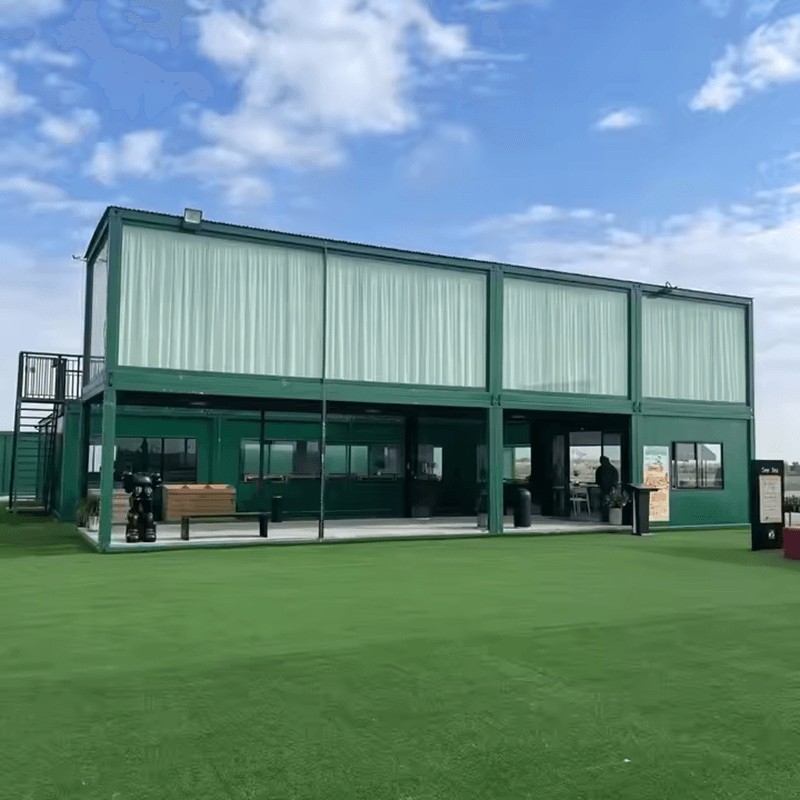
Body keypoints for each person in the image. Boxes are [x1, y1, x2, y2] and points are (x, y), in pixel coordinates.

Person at [595, 456, 619, 521]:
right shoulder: (613, 469)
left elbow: (597, 481)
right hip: (606, 489)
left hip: (606, 489)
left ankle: (606, 516)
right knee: (607, 503)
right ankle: (606, 516)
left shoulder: (600, 469)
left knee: (606, 503)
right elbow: (616, 480)